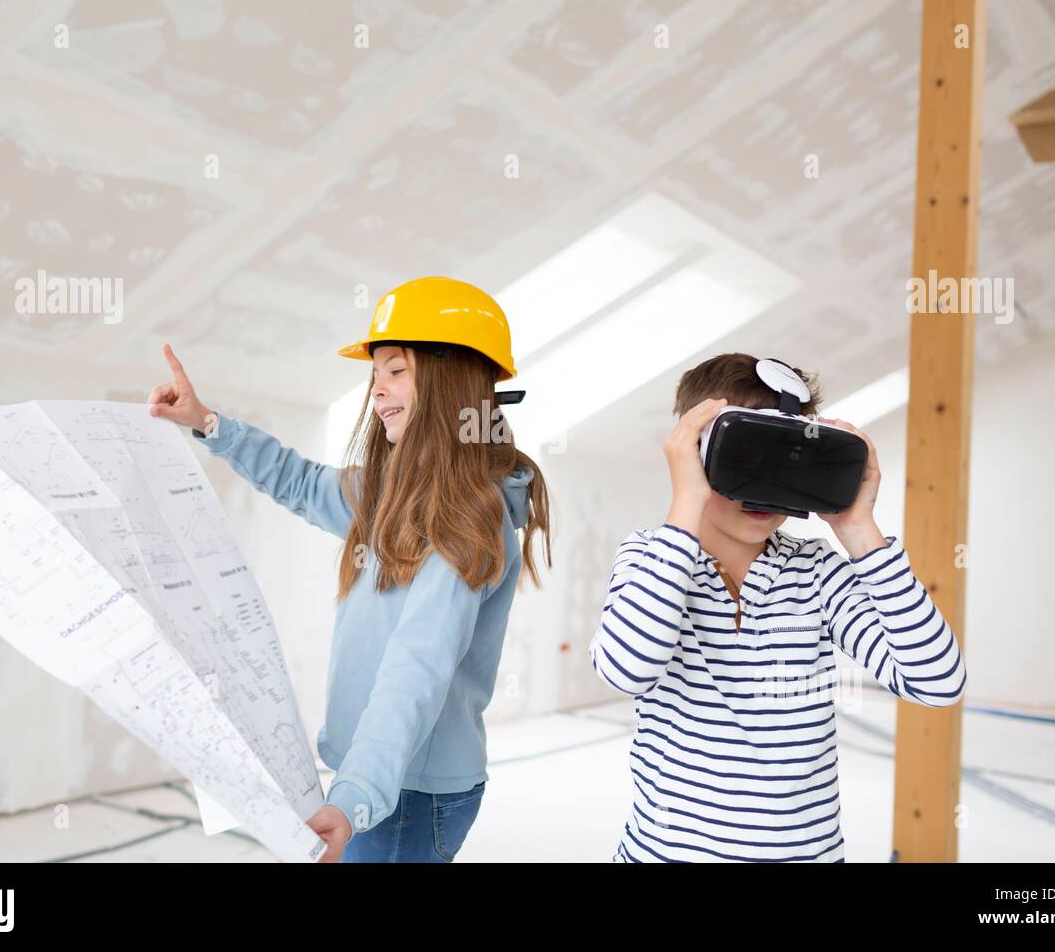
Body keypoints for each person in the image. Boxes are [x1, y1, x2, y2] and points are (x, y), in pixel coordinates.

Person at [148, 276, 551, 862]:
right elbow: (301, 482)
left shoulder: (467, 517)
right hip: (381, 778)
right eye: (374, 376)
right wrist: (208, 423)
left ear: (449, 380)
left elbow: (417, 666)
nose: (378, 393)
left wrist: (356, 794)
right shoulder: (392, 490)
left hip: (408, 792)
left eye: (395, 371)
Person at [588, 352, 965, 862]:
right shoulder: (651, 555)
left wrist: (857, 529)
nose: (764, 488)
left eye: (785, 459)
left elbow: (937, 682)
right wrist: (685, 505)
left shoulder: (818, 572)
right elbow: (625, 670)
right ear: (692, 451)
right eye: (743, 457)